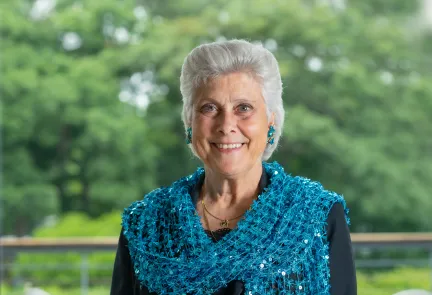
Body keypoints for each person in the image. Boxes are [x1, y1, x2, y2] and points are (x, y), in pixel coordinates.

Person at [110, 39, 356, 295]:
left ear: (270, 120)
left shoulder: (318, 215)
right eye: (209, 107)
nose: (226, 125)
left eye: (244, 108)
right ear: (189, 122)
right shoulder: (146, 222)